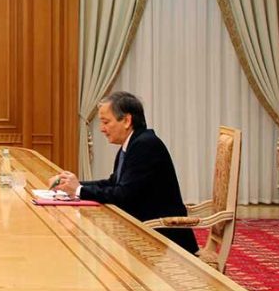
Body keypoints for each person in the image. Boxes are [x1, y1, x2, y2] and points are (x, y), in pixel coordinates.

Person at [51, 91, 198, 254]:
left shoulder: (145, 145)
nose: (102, 129)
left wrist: (79, 190)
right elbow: (113, 183)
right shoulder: (133, 143)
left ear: (127, 121)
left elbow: (123, 195)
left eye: (106, 122)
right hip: (143, 230)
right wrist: (72, 185)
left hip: (164, 241)